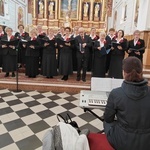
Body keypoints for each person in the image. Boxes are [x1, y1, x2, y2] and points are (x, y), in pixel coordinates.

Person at [104, 56, 150, 150]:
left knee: (106, 122)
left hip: (122, 142)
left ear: (124, 73)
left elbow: (108, 118)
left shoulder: (116, 93)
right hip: (147, 142)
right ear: (141, 72)